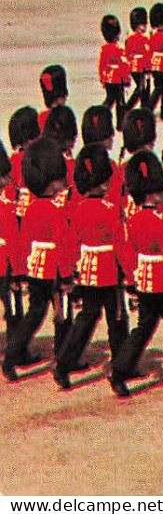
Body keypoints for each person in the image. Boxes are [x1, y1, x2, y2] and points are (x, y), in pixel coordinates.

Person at [108, 150, 163, 396]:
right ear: (152, 193)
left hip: (143, 279)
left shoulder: (134, 220)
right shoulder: (161, 221)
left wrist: (132, 278)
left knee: (142, 329)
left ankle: (119, 370)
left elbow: (128, 251)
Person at [54, 144, 126, 388]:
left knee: (86, 318)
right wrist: (128, 272)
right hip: (108, 270)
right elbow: (120, 245)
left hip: (86, 270)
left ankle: (63, 364)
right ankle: (119, 370)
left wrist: (67, 273)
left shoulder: (77, 209)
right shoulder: (111, 210)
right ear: (105, 182)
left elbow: (70, 244)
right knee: (116, 320)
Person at [4, 140, 71, 381]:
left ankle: (11, 356)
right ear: (51, 182)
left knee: (34, 314)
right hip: (53, 269)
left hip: (34, 267)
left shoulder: (31, 208)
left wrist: (20, 271)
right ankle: (62, 363)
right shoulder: (56, 210)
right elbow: (63, 244)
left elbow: (23, 241)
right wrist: (66, 275)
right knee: (62, 315)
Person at [97, 14, 130, 122]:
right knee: (120, 101)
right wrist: (126, 79)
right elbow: (123, 65)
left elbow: (101, 65)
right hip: (118, 79)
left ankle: (101, 114)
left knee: (110, 99)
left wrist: (102, 78)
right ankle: (121, 122)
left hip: (108, 78)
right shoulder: (119, 50)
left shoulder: (104, 49)